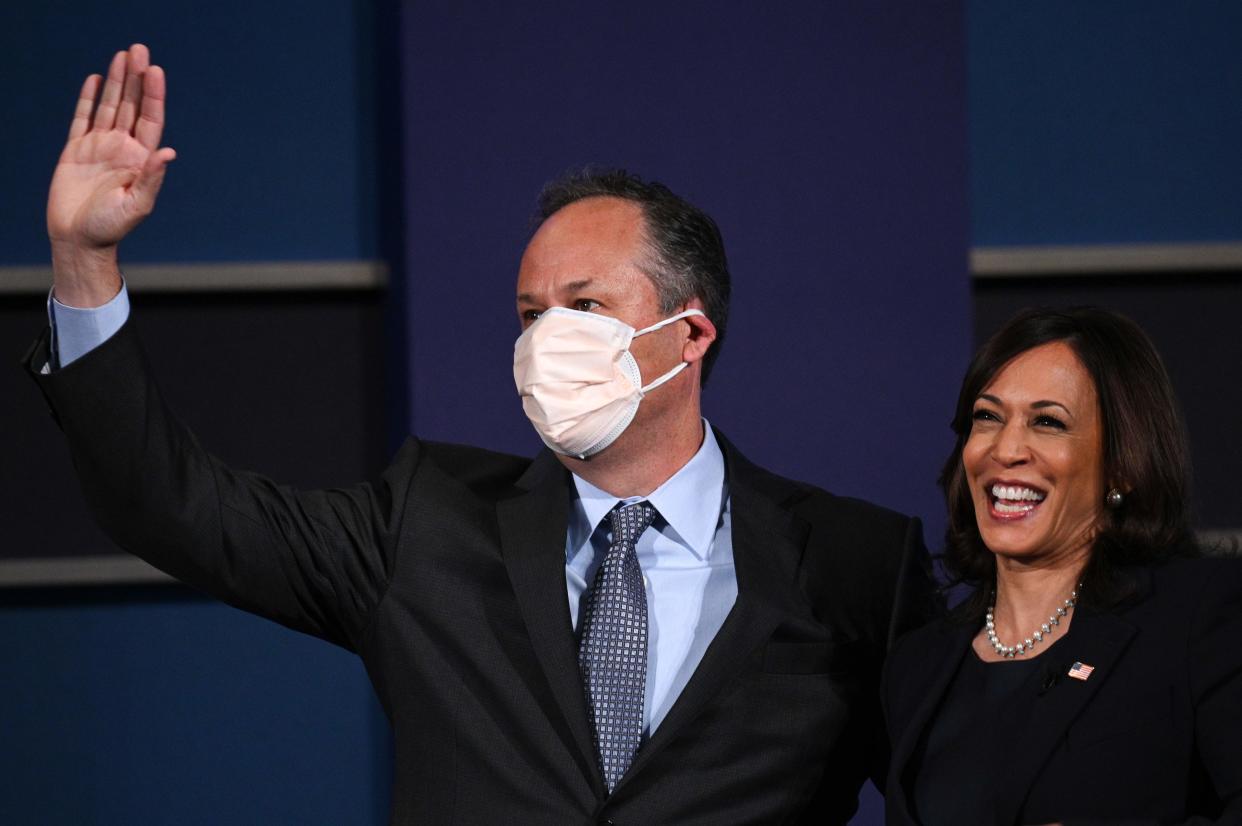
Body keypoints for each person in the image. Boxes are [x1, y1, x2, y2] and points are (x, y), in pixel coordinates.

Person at [32, 44, 939, 823]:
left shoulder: (855, 565)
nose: (550, 340)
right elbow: (169, 506)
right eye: (529, 314)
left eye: (585, 306)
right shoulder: (422, 526)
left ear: (690, 334)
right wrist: (83, 260)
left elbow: (953, 785)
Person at [882, 306, 1242, 825]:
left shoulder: (1197, 619)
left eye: (1047, 423)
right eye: (987, 417)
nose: (1006, 449)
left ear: (1123, 462)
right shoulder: (917, 665)